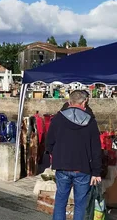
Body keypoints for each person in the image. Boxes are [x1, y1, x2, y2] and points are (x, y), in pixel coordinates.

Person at [46, 90, 102, 220]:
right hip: (82, 168)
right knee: (80, 204)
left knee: (60, 202)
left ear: (69, 101)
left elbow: (49, 143)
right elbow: (96, 149)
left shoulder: (58, 118)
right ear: (84, 102)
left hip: (62, 166)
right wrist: (96, 172)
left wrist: (56, 155)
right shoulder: (90, 121)